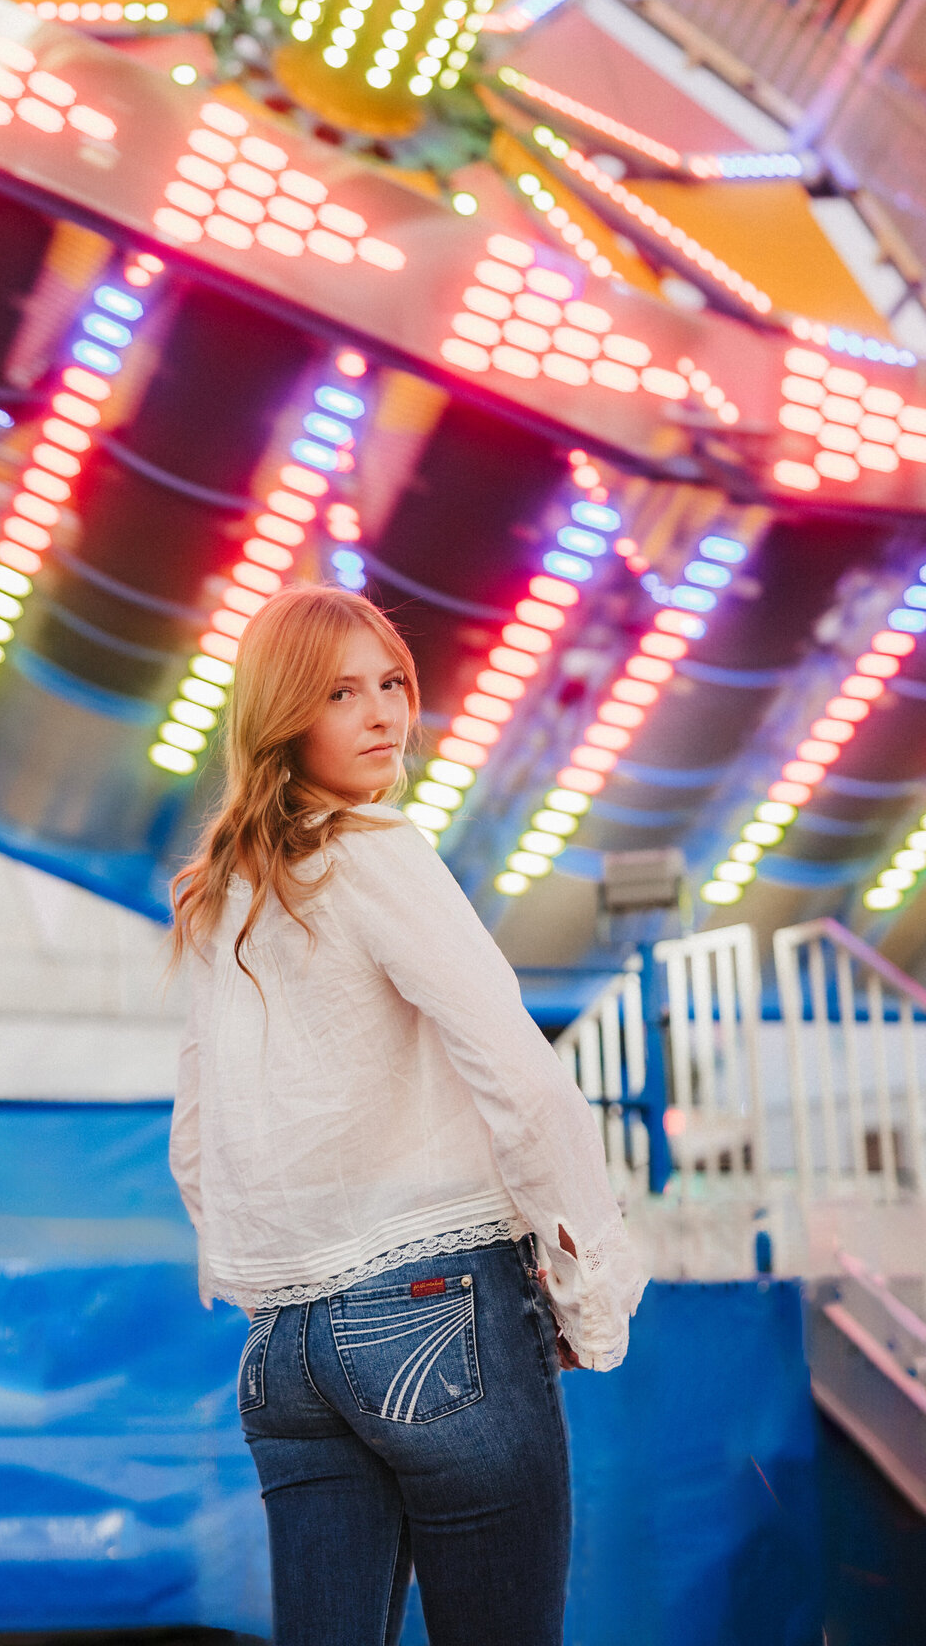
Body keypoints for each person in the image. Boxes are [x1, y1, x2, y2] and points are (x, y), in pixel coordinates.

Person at [168, 583, 646, 1646]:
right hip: (436, 1310)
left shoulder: (223, 893)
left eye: (393, 683)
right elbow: (518, 1072)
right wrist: (588, 1285)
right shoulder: (374, 848)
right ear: (283, 715)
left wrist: (283, 1281)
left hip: (287, 1356)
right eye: (342, 692)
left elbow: (195, 1142)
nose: (384, 714)